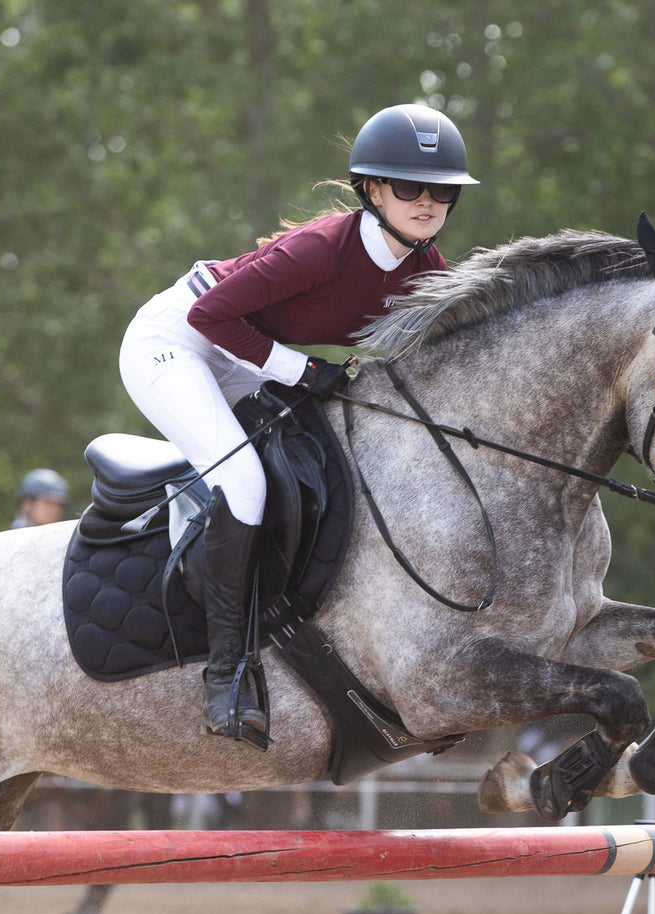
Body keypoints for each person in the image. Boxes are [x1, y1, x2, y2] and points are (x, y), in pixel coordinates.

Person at [118, 103, 478, 744]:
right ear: (371, 189)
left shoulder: (428, 272)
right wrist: (304, 371)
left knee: (313, 466)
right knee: (248, 485)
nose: (426, 201)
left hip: (246, 355)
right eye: (408, 187)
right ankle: (227, 674)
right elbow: (211, 318)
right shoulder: (321, 249)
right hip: (176, 342)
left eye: (442, 190)